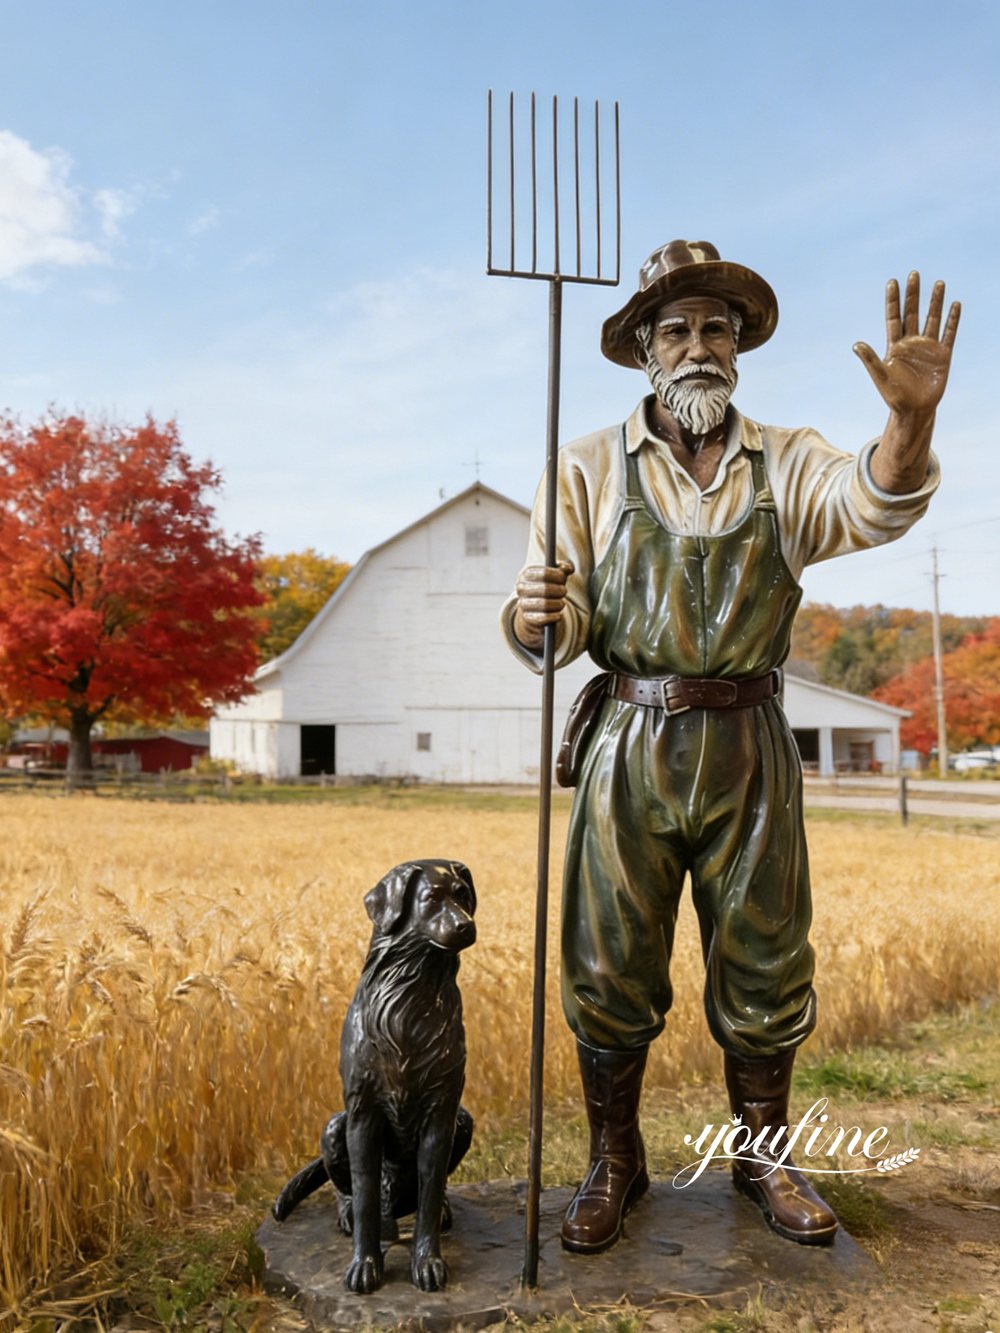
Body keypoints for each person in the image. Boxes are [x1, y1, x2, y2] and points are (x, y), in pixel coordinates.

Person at [501, 240, 959, 1253]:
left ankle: (763, 1157)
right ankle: (614, 1159)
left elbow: (874, 502)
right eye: (676, 329)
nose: (698, 345)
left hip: (751, 742)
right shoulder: (581, 465)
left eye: (717, 327)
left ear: (740, 345)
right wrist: (536, 616)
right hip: (631, 739)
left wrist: (910, 421)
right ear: (644, 350)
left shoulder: (786, 459)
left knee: (765, 955)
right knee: (607, 960)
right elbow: (556, 626)